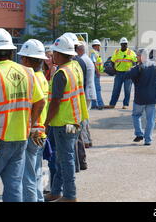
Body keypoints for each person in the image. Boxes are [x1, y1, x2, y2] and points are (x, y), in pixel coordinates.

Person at [0, 28, 45, 202]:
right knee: (14, 187)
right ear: (11, 51)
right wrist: (30, 125)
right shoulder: (28, 72)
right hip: (20, 138)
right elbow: (40, 102)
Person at [44, 35, 88, 202]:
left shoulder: (61, 73)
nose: (52, 55)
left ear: (61, 54)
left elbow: (55, 102)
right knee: (62, 158)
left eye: (55, 52)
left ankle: (70, 195)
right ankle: (56, 191)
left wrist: (45, 122)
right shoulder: (74, 66)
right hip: (75, 120)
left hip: (63, 122)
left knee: (65, 160)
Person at [18, 39, 49, 202]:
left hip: (32, 132)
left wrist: (29, 124)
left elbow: (39, 103)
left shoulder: (31, 78)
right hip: (40, 131)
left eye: (23, 58)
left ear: (28, 60)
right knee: (36, 174)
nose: (21, 61)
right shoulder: (42, 77)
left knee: (28, 177)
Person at [63, 32, 88, 171]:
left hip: (69, 111)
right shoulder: (79, 62)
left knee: (72, 141)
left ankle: (78, 165)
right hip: (77, 108)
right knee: (77, 139)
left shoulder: (72, 64)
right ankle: (81, 163)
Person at [125, 49, 156, 146]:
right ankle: (148, 140)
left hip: (140, 97)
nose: (136, 57)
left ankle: (139, 133)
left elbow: (127, 76)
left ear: (142, 56)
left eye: (138, 56)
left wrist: (130, 70)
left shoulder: (138, 67)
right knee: (150, 119)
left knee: (136, 115)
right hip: (152, 97)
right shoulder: (155, 65)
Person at [104, 37, 137, 109]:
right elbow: (112, 61)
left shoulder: (131, 52)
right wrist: (114, 70)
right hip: (118, 73)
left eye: (125, 44)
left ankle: (125, 104)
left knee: (127, 90)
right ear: (120, 44)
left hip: (128, 74)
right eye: (123, 44)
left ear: (127, 44)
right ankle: (112, 104)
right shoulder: (116, 52)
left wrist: (133, 70)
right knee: (116, 89)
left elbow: (135, 62)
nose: (124, 45)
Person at [76, 41, 96, 148]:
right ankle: (87, 139)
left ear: (80, 50)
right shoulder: (86, 59)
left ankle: (85, 140)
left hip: (86, 92)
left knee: (83, 118)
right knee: (85, 118)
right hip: (88, 91)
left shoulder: (82, 60)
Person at [90, 39, 104, 110]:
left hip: (94, 73)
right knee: (97, 89)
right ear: (96, 46)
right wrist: (97, 71)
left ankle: (94, 104)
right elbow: (93, 62)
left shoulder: (94, 52)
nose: (99, 48)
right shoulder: (93, 52)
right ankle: (100, 104)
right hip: (95, 73)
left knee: (94, 89)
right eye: (99, 46)